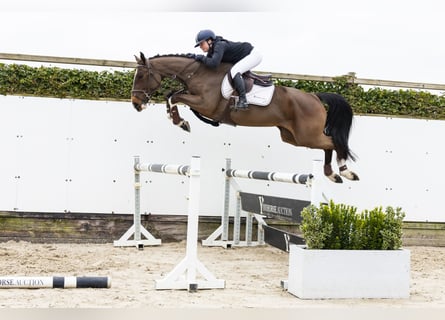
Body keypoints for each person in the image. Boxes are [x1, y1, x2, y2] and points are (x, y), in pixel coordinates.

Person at [192, 29, 262, 110]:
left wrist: (201, 57)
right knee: (233, 70)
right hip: (245, 57)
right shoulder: (212, 51)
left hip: (253, 55)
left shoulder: (219, 45)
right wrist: (194, 58)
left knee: (234, 71)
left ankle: (243, 101)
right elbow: (208, 65)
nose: (200, 46)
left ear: (210, 41)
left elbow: (213, 64)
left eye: (201, 44)